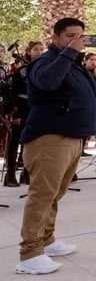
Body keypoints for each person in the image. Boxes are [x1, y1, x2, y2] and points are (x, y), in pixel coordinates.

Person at [15, 18, 96, 276]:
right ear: (56, 38)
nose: (76, 40)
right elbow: (47, 82)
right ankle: (29, 253)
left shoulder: (72, 63)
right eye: (70, 36)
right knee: (42, 195)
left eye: (80, 36)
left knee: (55, 193)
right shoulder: (46, 61)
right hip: (49, 138)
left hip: (71, 137)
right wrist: (71, 51)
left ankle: (46, 240)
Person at [4, 41, 43, 187]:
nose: (39, 52)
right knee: (15, 140)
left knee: (31, 142)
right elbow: (14, 92)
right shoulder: (22, 70)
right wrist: (15, 112)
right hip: (21, 107)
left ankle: (26, 173)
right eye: (35, 49)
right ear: (28, 51)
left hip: (36, 108)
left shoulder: (44, 69)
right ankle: (10, 174)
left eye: (41, 49)